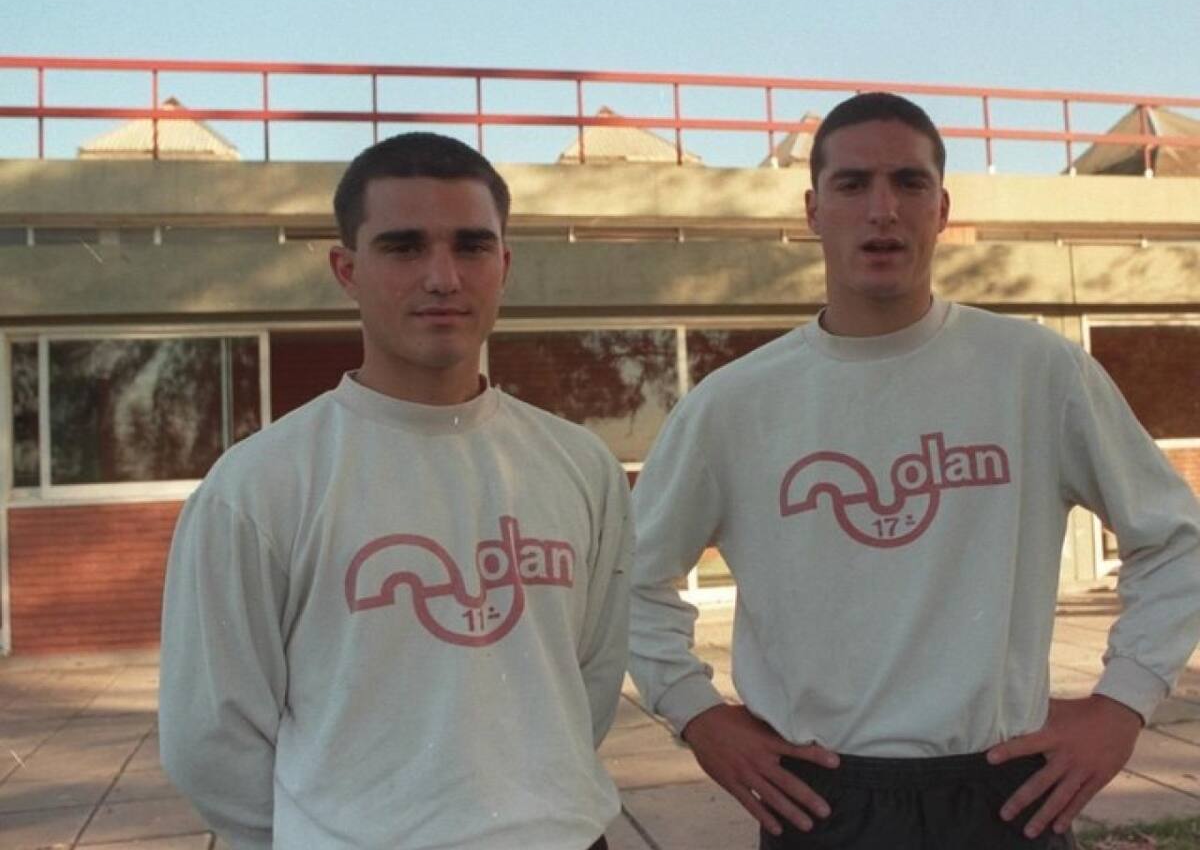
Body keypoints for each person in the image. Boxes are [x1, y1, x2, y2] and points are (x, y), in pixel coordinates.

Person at [628, 92, 1200, 849]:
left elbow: (1177, 542)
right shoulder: (735, 406)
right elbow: (628, 581)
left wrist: (1122, 705)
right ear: (812, 210)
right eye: (853, 184)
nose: (882, 209)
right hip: (820, 800)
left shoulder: (1035, 372)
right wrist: (696, 716)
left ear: (941, 206)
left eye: (909, 182)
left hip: (1007, 794)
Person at [159, 132, 633, 850]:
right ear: (346, 269)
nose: (442, 277)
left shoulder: (579, 463)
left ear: (503, 264)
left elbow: (590, 681)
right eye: (404, 247)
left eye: (471, 246)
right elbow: (209, 736)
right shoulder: (260, 485)